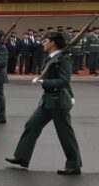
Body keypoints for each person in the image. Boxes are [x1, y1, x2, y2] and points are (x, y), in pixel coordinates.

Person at [6, 31, 82, 175]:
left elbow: (64, 80)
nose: (42, 43)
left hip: (59, 102)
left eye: (45, 41)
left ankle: (74, 165)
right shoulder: (52, 58)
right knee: (31, 125)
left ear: (53, 42)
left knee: (65, 135)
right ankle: (22, 157)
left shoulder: (63, 58)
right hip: (47, 101)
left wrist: (44, 81)